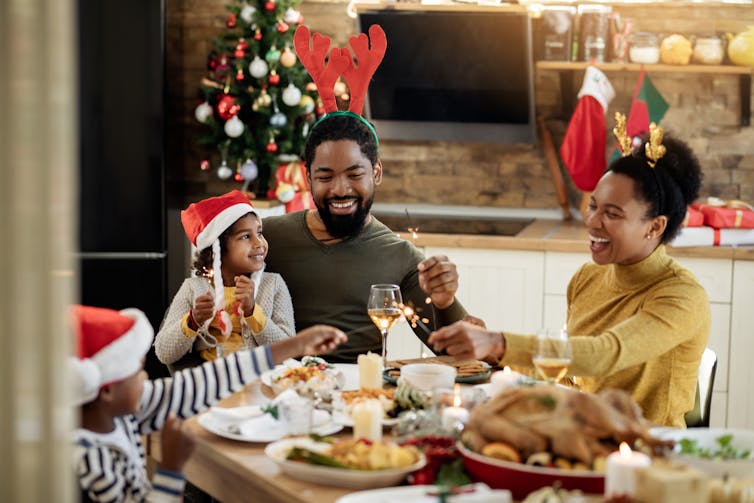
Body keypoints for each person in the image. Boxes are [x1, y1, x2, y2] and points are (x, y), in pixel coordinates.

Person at [429, 117, 710, 428]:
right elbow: (572, 372)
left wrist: (498, 342)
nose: (592, 222)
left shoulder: (681, 295)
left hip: (650, 451)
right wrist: (497, 356)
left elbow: (606, 353)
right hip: (584, 435)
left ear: (655, 226)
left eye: (611, 213)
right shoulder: (587, 278)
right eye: (593, 206)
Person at [261, 25, 468, 363]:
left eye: (354, 174)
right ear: (307, 176)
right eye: (325, 176)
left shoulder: (401, 256)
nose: (340, 189)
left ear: (376, 172)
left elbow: (461, 353)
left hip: (362, 398)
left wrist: (446, 302)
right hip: (279, 396)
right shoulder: (267, 239)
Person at [71, 304, 345, 503]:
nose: (145, 377)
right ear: (106, 391)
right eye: (137, 372)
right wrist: (171, 467)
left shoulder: (119, 412)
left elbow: (203, 382)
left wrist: (294, 346)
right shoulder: (90, 461)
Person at [155, 190, 296, 372]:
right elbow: (163, 353)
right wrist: (193, 321)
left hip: (262, 380)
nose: (259, 243)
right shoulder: (193, 288)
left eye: (259, 233)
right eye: (246, 236)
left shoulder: (273, 284)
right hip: (212, 385)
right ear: (218, 248)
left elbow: (290, 350)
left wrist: (253, 312)